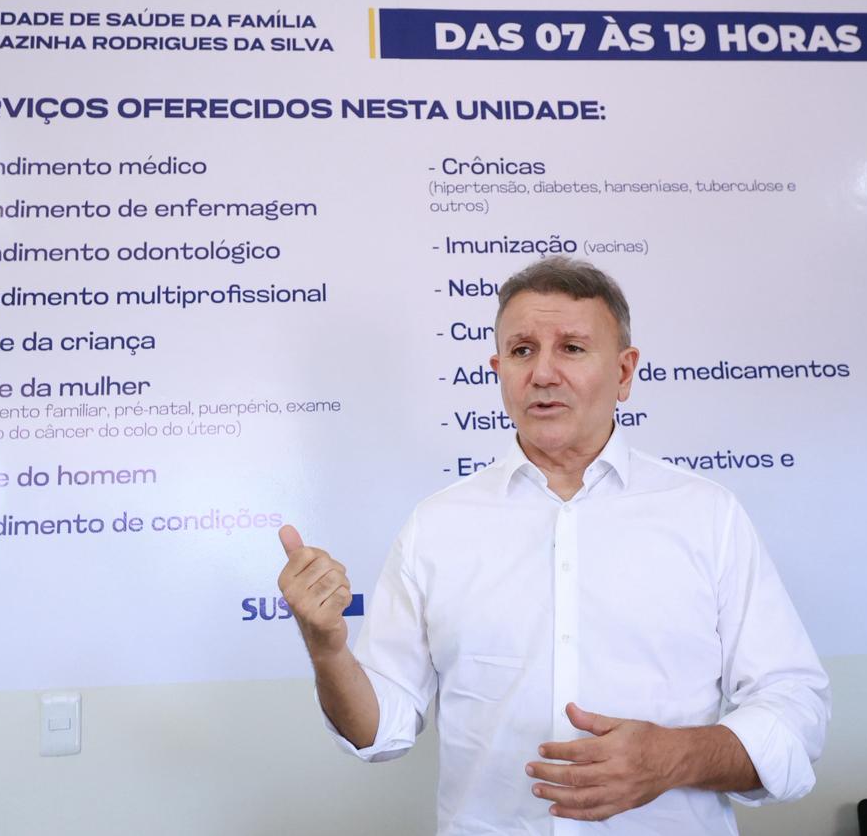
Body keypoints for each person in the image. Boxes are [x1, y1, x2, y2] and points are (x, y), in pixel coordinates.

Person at [277, 256, 830, 835]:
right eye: (522, 351)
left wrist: (675, 757)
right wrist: (327, 649)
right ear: (499, 371)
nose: (543, 373)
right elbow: (379, 731)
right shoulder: (435, 526)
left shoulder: (706, 515)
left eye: (571, 348)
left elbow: (795, 708)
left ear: (624, 372)